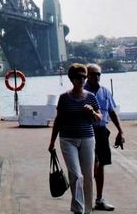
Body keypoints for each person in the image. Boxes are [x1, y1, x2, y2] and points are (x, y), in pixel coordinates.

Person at [48, 63, 102, 214]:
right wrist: (52, 141)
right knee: (76, 175)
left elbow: (99, 118)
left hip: (87, 139)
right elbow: (58, 120)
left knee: (88, 176)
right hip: (68, 140)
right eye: (79, 77)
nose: (82, 80)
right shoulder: (64, 98)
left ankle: (88, 210)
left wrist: (92, 112)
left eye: (84, 77)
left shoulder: (91, 97)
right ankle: (78, 209)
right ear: (71, 78)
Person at [85, 63, 126, 211]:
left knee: (100, 164)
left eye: (98, 74)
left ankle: (99, 199)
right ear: (87, 75)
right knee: (90, 165)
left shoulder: (105, 92)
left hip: (102, 131)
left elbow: (112, 112)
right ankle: (85, 199)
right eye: (93, 74)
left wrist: (120, 131)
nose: (96, 76)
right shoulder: (82, 92)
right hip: (87, 131)